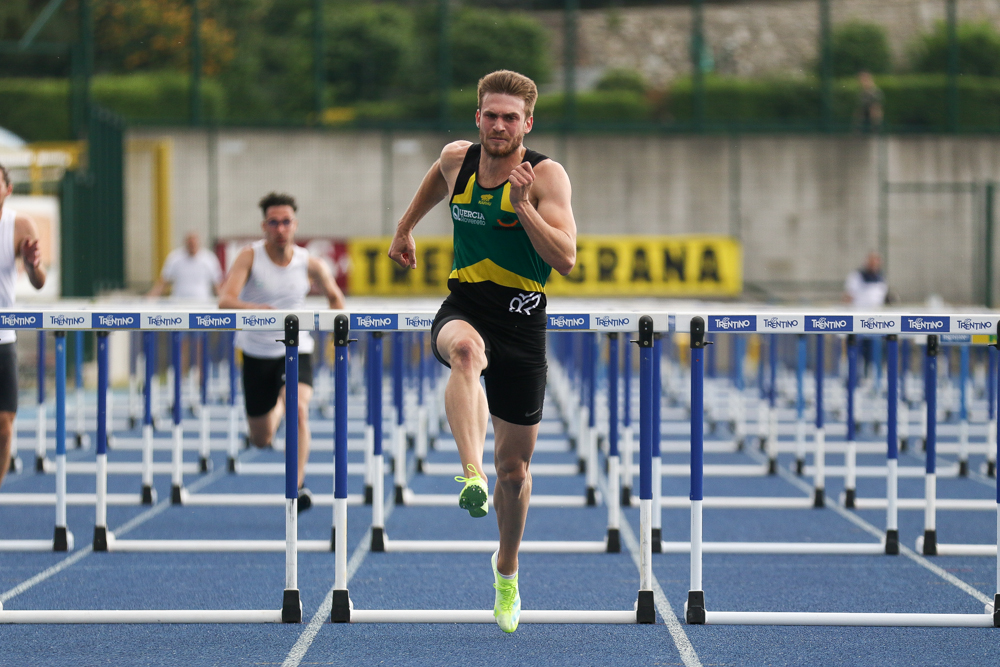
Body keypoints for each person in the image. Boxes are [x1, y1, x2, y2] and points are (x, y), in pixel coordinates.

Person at [388, 70, 577, 633]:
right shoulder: (457, 159)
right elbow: (435, 179)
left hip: (522, 320)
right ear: (477, 117)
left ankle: (507, 569)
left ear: (527, 123)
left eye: (510, 118)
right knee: (466, 353)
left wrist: (523, 207)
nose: (499, 126)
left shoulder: (545, 175)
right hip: (466, 305)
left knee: (514, 472)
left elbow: (566, 259)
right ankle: (470, 474)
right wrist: (404, 229)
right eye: (490, 115)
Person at [218, 192, 345, 511]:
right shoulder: (249, 257)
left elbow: (335, 297)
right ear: (264, 226)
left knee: (298, 408)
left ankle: (297, 485)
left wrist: (336, 333)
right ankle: (277, 406)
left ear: (295, 224)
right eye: (273, 222)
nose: (280, 228)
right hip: (257, 352)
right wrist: (257, 309)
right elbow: (225, 301)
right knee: (261, 439)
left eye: (286, 222)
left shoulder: (309, 262)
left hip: (297, 348)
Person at [0, 163, 46, 489]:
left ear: (8, 189)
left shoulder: (19, 226)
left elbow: (39, 281)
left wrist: (31, 264)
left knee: (5, 424)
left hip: (3, 336)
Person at [147, 231, 223, 300]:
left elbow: (217, 284)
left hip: (202, 303)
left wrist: (222, 299)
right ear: (185, 242)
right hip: (178, 303)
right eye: (190, 242)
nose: (192, 245)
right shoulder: (175, 257)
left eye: (194, 242)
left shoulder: (209, 258)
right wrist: (149, 299)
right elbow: (163, 282)